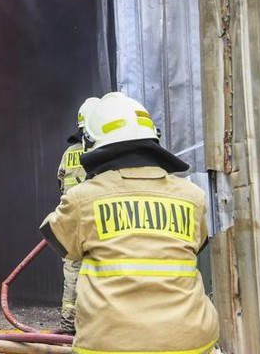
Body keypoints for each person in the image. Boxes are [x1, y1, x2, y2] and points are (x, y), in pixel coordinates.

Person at [40, 92, 219, 354]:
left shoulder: (83, 198)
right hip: (191, 342)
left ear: (91, 144)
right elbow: (197, 244)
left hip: (109, 345)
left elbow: (57, 238)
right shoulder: (193, 196)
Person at [55, 96, 100, 335]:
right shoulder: (104, 151)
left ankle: (69, 323)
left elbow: (60, 185)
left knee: (73, 270)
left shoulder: (68, 154)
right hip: (97, 221)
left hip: (72, 222)